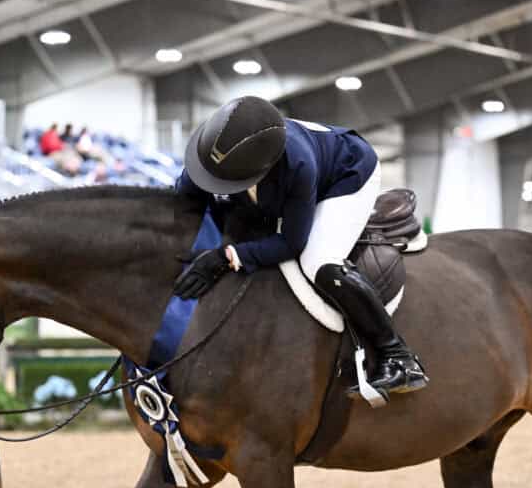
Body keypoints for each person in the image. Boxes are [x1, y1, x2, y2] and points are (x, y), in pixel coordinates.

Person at [173, 96, 428, 398]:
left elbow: (290, 243)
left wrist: (228, 256)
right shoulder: (210, 155)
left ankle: (397, 356)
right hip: (287, 175)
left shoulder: (297, 164)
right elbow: (183, 205)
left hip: (346, 174)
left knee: (318, 261)